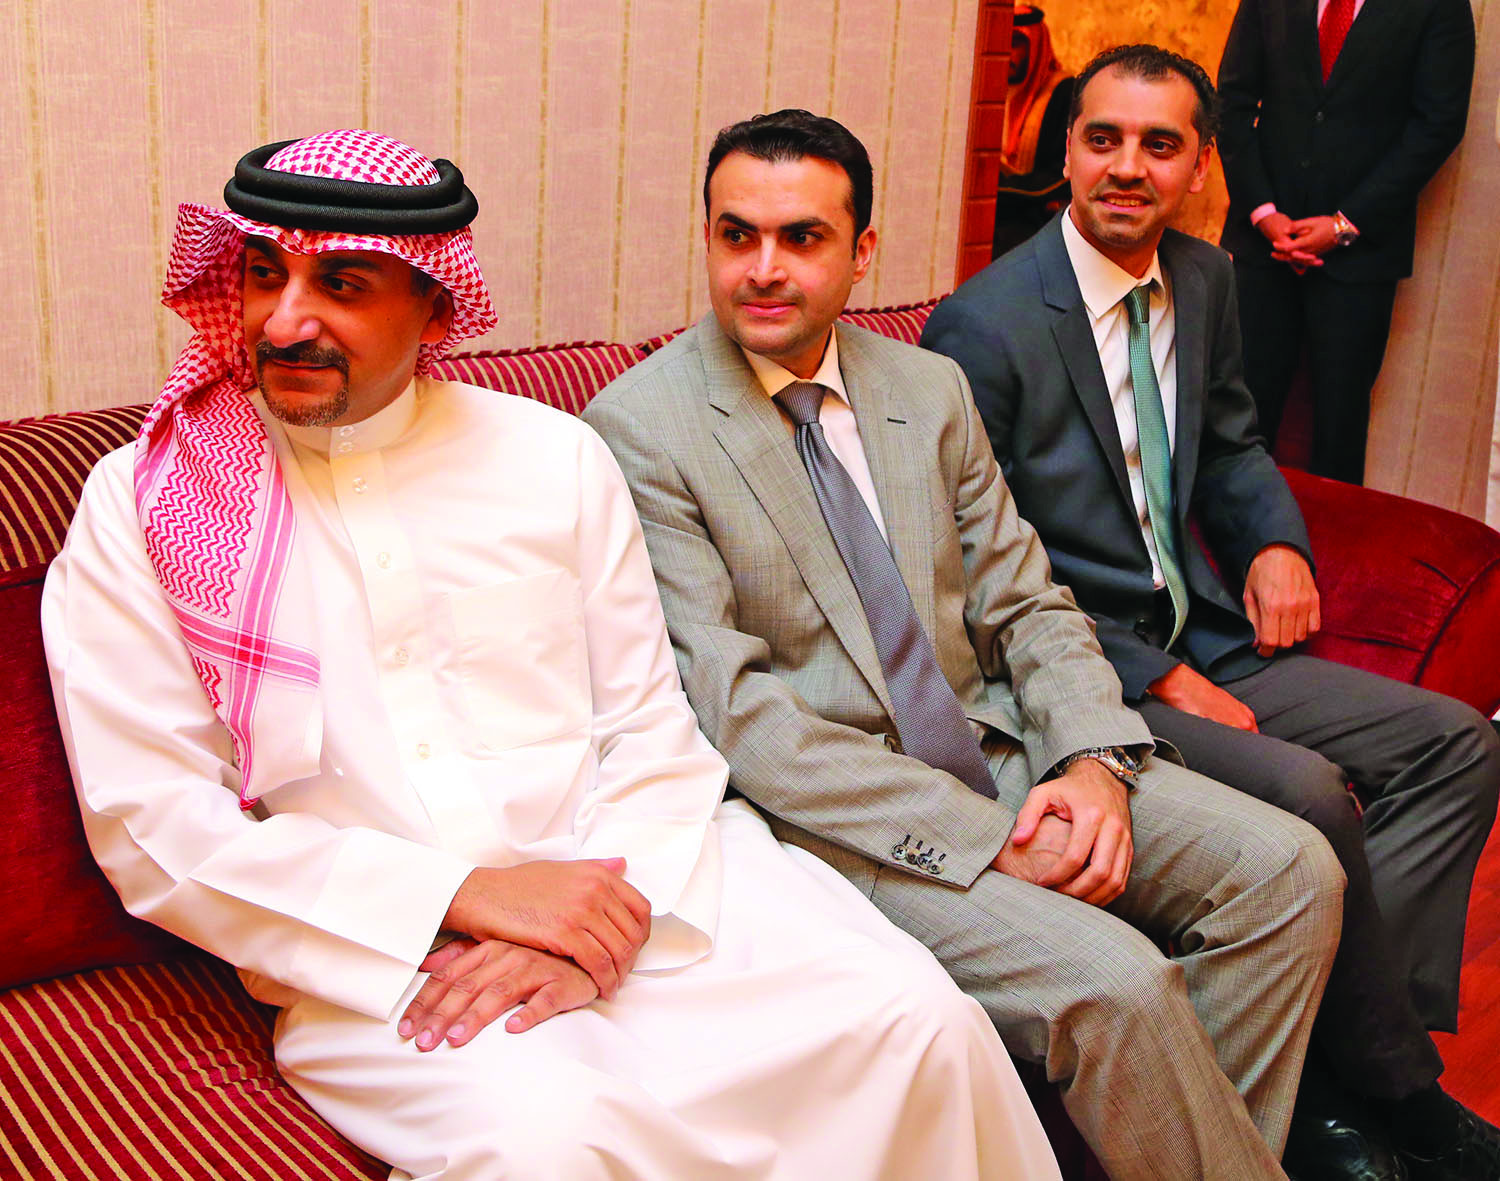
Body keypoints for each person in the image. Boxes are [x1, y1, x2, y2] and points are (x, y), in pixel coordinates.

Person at [42, 129, 1063, 1180]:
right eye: (265, 275)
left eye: (340, 283)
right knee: (554, 1144)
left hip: (655, 886)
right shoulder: (146, 502)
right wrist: (462, 897)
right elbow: (153, 820)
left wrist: (600, 924)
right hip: (389, 950)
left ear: (434, 303)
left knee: (917, 1019)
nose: (285, 320)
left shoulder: (554, 457)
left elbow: (651, 728)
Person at [583, 107, 1345, 1181]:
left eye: (801, 237)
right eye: (735, 234)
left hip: (1004, 746)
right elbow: (742, 719)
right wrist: (987, 842)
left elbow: (1027, 600)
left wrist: (1092, 761)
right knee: (1119, 981)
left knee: (1292, 872)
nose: (762, 268)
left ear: (862, 252)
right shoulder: (639, 429)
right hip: (845, 821)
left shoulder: (924, 388)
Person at [922, 44, 1500, 1181]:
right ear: (1067, 152)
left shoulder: (1204, 278)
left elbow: (1231, 440)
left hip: (1212, 632)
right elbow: (981, 572)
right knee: (1308, 794)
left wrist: (1276, 540)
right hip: (1087, 672)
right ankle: (1393, 1088)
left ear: (1200, 167)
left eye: (1159, 144)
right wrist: (1155, 677)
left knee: (1457, 745)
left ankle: (1351, 1057)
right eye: (1102, 138)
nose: (1126, 167)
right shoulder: (982, 327)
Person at [1216, 0, 1475, 484]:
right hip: (1263, 246)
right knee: (1239, 418)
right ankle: (1227, 529)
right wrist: (1265, 213)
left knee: (1339, 431)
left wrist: (1344, 224)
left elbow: (1438, 124)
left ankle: (1329, 536)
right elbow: (1231, 102)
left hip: (1361, 259)